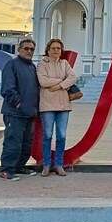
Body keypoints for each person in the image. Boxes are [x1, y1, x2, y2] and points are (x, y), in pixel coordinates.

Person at [0, 38, 40, 181]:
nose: (29, 51)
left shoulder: (32, 67)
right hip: (15, 113)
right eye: (26, 48)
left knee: (26, 142)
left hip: (29, 113)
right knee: (13, 141)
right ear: (19, 50)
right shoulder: (12, 65)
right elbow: (7, 89)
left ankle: (19, 166)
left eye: (32, 49)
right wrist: (19, 105)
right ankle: (7, 169)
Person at [36, 38, 77, 177]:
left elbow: (73, 78)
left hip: (63, 104)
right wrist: (63, 81)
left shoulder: (64, 63)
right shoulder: (42, 64)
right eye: (53, 48)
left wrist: (58, 86)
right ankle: (46, 165)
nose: (56, 51)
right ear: (48, 50)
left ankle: (59, 164)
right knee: (47, 135)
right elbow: (42, 81)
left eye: (58, 48)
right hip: (47, 104)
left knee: (62, 136)